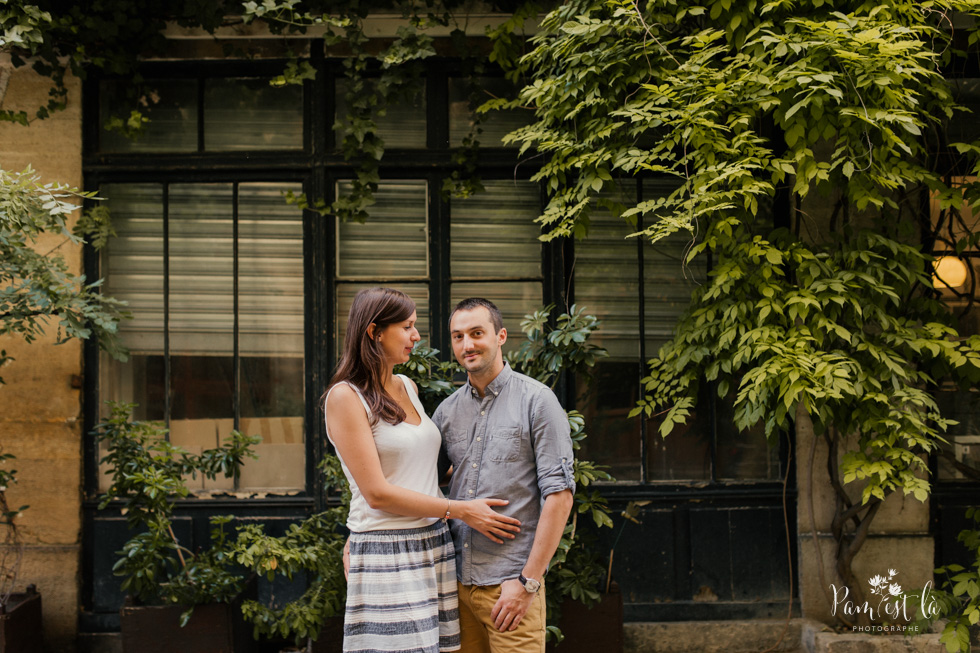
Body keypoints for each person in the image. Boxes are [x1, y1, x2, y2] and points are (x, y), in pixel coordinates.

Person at [323, 287, 522, 653]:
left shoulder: (407, 386)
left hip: (433, 545)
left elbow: (421, 470)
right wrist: (461, 510)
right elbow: (377, 493)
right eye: (407, 326)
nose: (416, 336)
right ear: (374, 332)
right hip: (389, 548)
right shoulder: (345, 397)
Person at [432, 298, 576, 653]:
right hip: (455, 587)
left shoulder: (537, 401)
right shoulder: (446, 412)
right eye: (458, 336)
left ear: (501, 336)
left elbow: (559, 495)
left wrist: (528, 582)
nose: (467, 345)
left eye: (477, 333)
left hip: (509, 588)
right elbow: (420, 484)